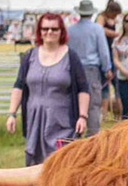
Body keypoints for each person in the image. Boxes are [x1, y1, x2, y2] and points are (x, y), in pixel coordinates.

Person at [5, 12, 91, 166]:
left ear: (61, 32)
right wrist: (12, 113)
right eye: (45, 29)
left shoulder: (71, 57)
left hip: (62, 123)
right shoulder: (29, 56)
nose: (49, 32)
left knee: (60, 164)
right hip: (34, 123)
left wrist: (82, 116)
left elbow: (83, 89)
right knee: (34, 166)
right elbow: (19, 86)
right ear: (39, 31)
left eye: (54, 29)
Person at [65, 0, 113, 137]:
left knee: (74, 102)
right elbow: (103, 51)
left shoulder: (70, 30)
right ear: (91, 13)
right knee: (92, 104)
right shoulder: (97, 29)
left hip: (72, 69)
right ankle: (92, 135)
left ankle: (73, 135)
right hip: (90, 70)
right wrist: (107, 68)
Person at [111, 11, 128, 117]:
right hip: (122, 76)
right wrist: (125, 72)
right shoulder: (117, 41)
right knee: (125, 106)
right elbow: (115, 59)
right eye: (127, 21)